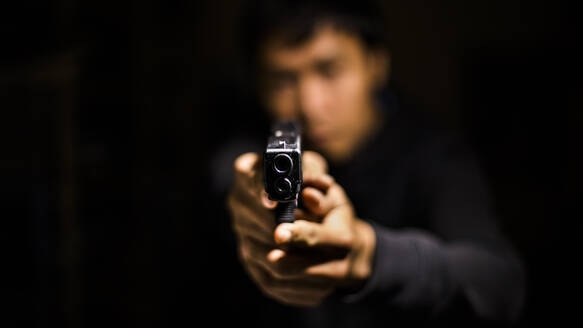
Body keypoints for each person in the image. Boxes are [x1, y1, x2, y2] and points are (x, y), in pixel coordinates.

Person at [209, 0, 526, 327]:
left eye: (329, 70)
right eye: (282, 80)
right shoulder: (243, 142)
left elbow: (497, 284)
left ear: (376, 64)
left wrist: (368, 255)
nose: (310, 105)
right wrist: (251, 198)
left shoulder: (434, 154)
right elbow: (230, 171)